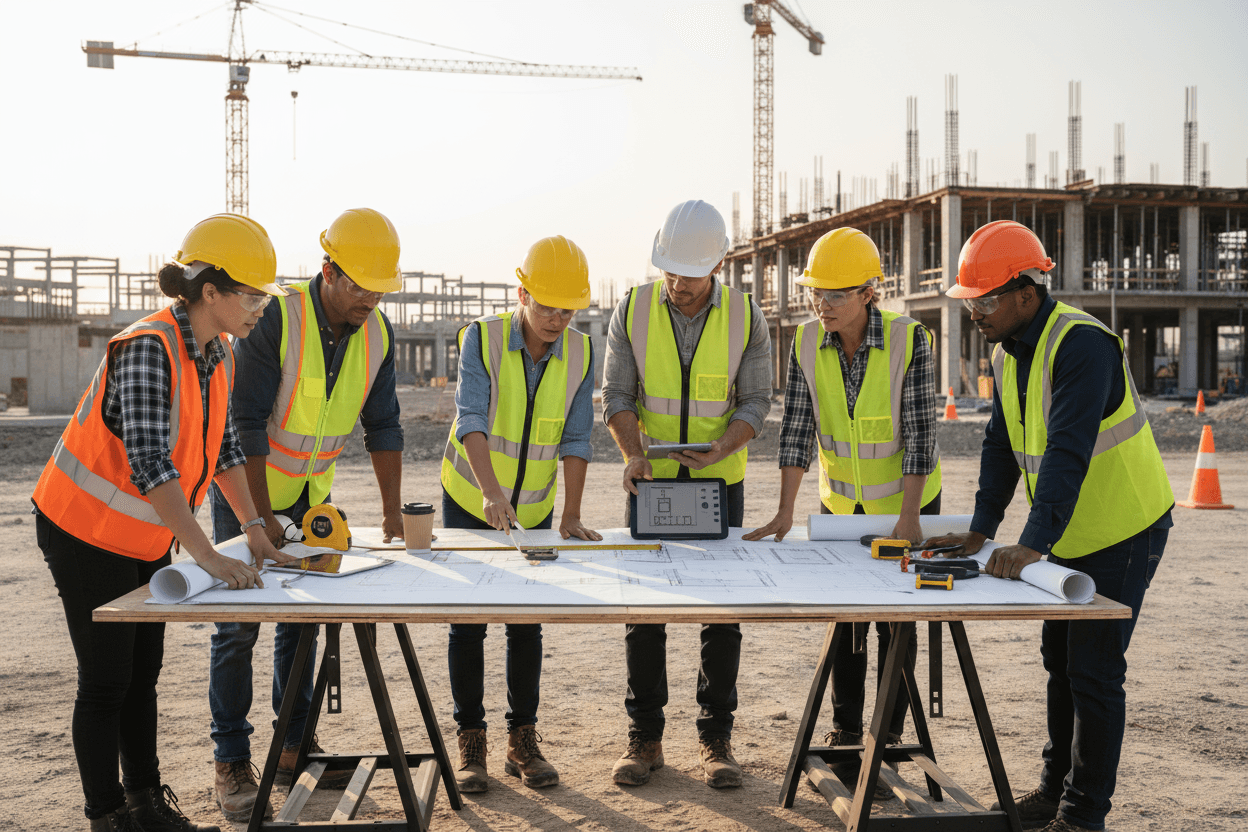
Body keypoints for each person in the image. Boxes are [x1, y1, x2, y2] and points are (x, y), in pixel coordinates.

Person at [32, 214, 292, 832]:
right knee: (104, 682)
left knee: (141, 676)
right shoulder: (148, 346)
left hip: (143, 533)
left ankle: (146, 805)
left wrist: (255, 527)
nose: (260, 309)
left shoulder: (220, 351)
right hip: (82, 529)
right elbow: (151, 465)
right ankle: (107, 816)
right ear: (211, 292)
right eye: (252, 295)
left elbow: (224, 447)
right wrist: (208, 556)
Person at [924, 220, 1174, 832]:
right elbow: (1001, 445)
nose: (974, 311)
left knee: (1093, 670)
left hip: (1123, 528)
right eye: (971, 300)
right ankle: (1054, 791)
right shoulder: (1009, 352)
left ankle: (1083, 816)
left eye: (984, 299)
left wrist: (1032, 544)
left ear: (1025, 293)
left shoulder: (1083, 345)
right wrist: (981, 529)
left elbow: (1065, 452)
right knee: (1058, 660)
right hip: (1070, 533)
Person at [204, 208, 406, 821]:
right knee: (239, 623)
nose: (369, 298)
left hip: (311, 497)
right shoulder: (277, 319)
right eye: (359, 285)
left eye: (379, 287)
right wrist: (259, 523)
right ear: (328, 270)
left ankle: (293, 748)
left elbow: (385, 423)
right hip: (248, 491)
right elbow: (243, 426)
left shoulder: (377, 334)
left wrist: (394, 513)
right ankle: (232, 761)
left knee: (303, 622)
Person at [744, 227, 940, 796]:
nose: (821, 304)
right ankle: (847, 736)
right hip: (840, 510)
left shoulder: (909, 340)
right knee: (848, 626)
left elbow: (923, 433)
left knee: (895, 632)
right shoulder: (807, 342)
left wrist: (909, 517)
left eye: (835, 294)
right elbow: (799, 430)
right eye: (816, 293)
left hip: (908, 507)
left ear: (869, 293)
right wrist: (786, 511)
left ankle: (887, 748)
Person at [602, 199, 773, 789]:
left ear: (718, 265)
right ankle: (645, 738)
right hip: (650, 481)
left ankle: (714, 739)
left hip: (719, 483)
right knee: (645, 611)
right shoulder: (633, 307)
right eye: (668, 269)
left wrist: (721, 450)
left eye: (689, 272)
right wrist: (634, 456)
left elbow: (755, 404)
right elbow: (616, 394)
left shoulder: (748, 317)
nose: (676, 283)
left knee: (721, 614)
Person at [440, 235, 601, 793]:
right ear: (522, 292)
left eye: (568, 308)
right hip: (469, 499)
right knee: (468, 623)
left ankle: (521, 740)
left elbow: (578, 436)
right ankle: (471, 742)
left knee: (526, 623)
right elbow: (470, 420)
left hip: (534, 504)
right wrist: (489, 492)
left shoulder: (580, 351)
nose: (558, 318)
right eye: (548, 305)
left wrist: (572, 512)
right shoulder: (481, 339)